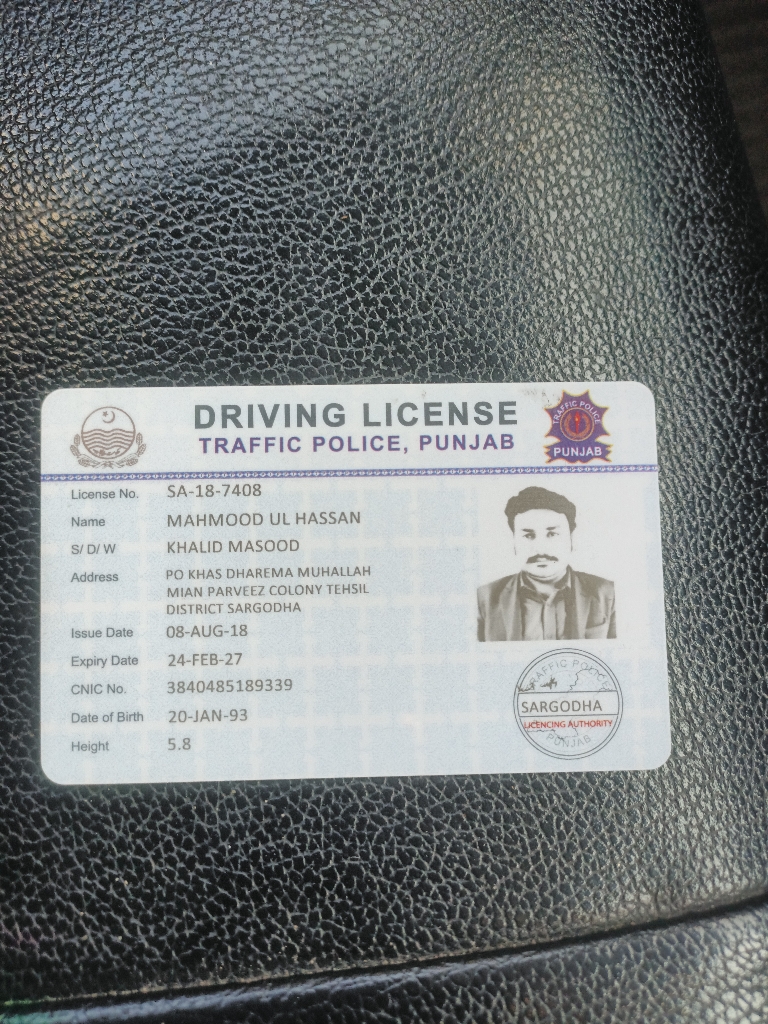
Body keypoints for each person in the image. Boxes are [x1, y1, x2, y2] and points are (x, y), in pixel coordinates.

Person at [477, 486, 616, 641]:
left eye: (552, 534)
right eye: (528, 535)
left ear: (571, 538)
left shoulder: (608, 593)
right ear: (514, 540)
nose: (540, 549)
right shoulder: (483, 598)